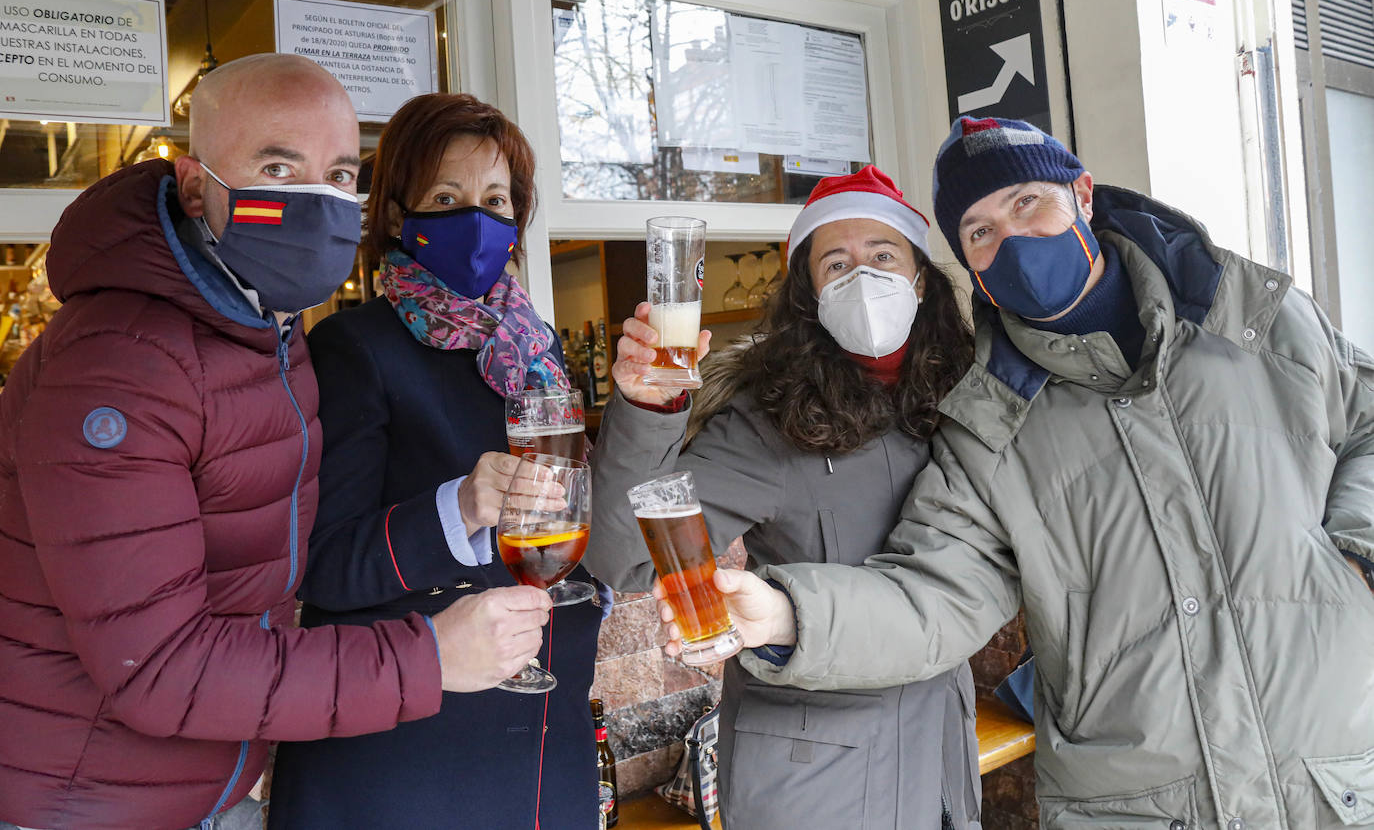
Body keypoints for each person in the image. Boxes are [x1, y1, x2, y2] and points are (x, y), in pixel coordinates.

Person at [661, 116, 1374, 829]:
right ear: (968, 263)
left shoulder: (1254, 322)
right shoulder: (989, 425)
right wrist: (791, 614)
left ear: (1083, 195)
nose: (1011, 239)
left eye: (1027, 202)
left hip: (1337, 775)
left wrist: (1358, 557)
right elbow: (935, 596)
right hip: (1143, 805)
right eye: (979, 230)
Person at [0, 55, 552, 830]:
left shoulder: (262, 332)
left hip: (206, 781)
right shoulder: (120, 363)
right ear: (196, 187)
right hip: (89, 800)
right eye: (277, 166)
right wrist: (426, 658)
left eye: (336, 174)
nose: (315, 202)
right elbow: (159, 666)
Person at [584, 166, 981, 830]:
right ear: (811, 295)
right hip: (816, 780)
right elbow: (622, 556)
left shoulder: (961, 399)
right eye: (836, 264)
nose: (864, 276)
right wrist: (648, 410)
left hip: (938, 764)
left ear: (920, 280)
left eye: (883, 256)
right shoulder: (772, 419)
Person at [266, 92, 603, 830]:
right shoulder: (355, 348)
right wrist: (462, 506)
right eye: (446, 199)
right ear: (396, 217)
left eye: (495, 199)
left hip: (547, 747)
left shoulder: (537, 350)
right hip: (410, 763)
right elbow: (323, 564)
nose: (475, 220)